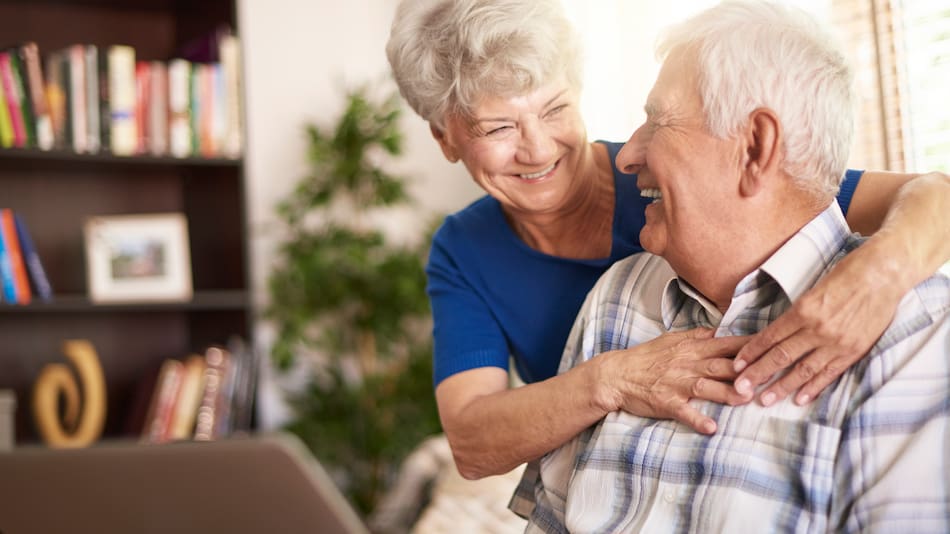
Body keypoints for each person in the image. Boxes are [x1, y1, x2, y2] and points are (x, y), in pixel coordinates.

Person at [385, 0, 950, 481]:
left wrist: (880, 272)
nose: (537, 149)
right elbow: (472, 442)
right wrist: (611, 380)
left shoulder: (675, 181)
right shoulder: (464, 250)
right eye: (499, 128)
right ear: (445, 137)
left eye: (554, 109)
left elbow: (934, 195)